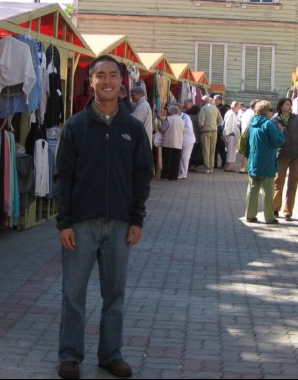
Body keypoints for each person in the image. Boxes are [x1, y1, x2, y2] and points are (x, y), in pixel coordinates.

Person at [54, 55, 153, 380]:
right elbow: (64, 177)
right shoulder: (76, 126)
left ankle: (111, 354)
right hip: (81, 224)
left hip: (121, 223)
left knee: (115, 294)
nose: (107, 81)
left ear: (122, 82)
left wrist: (137, 219)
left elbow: (142, 176)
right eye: (101, 76)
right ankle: (70, 355)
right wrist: (64, 222)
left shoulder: (133, 129)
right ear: (91, 82)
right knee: (73, 293)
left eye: (113, 75)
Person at [244, 100, 284, 225]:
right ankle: (269, 217)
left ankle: (250, 215)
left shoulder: (252, 123)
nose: (272, 112)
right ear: (266, 111)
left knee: (252, 189)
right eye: (271, 110)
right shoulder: (269, 124)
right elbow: (276, 141)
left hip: (254, 160)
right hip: (266, 161)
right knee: (268, 191)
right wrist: (281, 132)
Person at [197, 95, 223, 173]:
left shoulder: (203, 109)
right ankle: (211, 167)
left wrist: (200, 128)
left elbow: (201, 122)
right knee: (212, 150)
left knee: (206, 150)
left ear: (204, 101)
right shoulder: (215, 108)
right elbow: (220, 121)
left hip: (205, 131)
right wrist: (215, 125)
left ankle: (206, 167)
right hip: (214, 131)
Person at [157, 104, 184, 180]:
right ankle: (174, 176)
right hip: (178, 143)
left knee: (167, 160)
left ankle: (165, 176)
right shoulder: (181, 120)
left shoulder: (169, 119)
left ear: (171, 111)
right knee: (175, 161)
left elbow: (163, 129)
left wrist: (159, 127)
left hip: (168, 142)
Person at [237, 100, 257, 173]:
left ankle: (243, 168)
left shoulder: (246, 112)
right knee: (249, 151)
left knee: (247, 151)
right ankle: (243, 168)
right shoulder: (253, 114)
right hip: (249, 133)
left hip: (243, 132)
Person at [177, 104, 196, 179]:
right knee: (181, 157)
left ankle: (183, 173)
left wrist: (178, 129)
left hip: (188, 140)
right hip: (181, 140)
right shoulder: (178, 116)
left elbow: (189, 129)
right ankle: (181, 172)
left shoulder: (185, 117)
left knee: (185, 157)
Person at [222, 101, 241, 171]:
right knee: (231, 151)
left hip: (230, 134)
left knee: (230, 150)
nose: (239, 109)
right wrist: (227, 134)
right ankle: (228, 167)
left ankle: (227, 165)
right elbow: (228, 124)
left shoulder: (230, 112)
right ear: (235, 106)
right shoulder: (231, 113)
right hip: (231, 134)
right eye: (238, 107)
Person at [213, 94, 230, 168]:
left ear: (219, 100)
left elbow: (221, 120)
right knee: (217, 148)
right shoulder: (218, 108)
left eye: (214, 100)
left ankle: (223, 163)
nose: (213, 101)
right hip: (218, 130)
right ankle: (215, 163)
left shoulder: (222, 109)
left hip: (219, 130)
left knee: (220, 147)